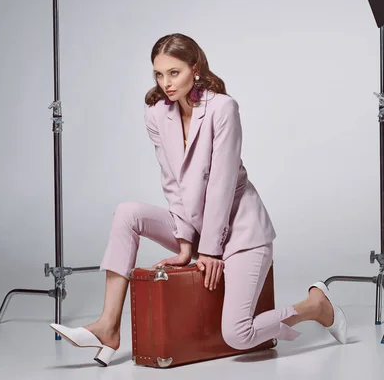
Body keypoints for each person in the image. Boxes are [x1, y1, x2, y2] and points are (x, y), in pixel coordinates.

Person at [49, 33, 347, 367]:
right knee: (126, 213)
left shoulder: (223, 108)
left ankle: (315, 306)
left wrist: (210, 250)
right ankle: (108, 326)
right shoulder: (156, 115)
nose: (165, 83)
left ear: (195, 67)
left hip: (242, 233)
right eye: (158, 75)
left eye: (173, 73)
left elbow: (221, 183)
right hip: (194, 225)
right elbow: (172, 183)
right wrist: (185, 243)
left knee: (238, 334)